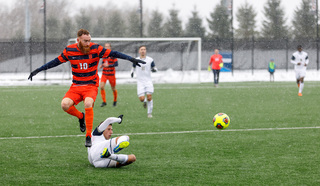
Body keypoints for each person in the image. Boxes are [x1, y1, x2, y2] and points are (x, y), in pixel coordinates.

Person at [28, 29, 145, 147]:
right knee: (64, 105)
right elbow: (55, 62)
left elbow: (114, 53)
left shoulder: (96, 48)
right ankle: (81, 116)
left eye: (89, 40)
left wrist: (131, 59)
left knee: (88, 103)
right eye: (85, 41)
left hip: (91, 85)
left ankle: (88, 136)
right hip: (76, 86)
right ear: (78, 40)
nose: (88, 43)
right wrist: (38, 70)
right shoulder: (70, 50)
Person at [131, 45, 157, 118]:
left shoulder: (150, 60)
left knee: (149, 97)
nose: (143, 51)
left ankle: (149, 113)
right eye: (141, 49)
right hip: (140, 82)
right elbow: (133, 68)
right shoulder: (135, 60)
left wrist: (154, 70)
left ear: (146, 51)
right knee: (142, 99)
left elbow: (155, 68)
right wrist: (132, 72)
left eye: (144, 49)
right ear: (139, 51)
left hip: (148, 81)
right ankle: (144, 101)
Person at [99, 43, 118, 107]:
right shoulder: (103, 55)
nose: (106, 47)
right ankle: (104, 102)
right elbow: (103, 62)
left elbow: (116, 64)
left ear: (110, 47)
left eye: (108, 46)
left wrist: (109, 65)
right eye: (105, 46)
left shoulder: (113, 55)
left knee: (113, 88)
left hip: (111, 74)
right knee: (101, 87)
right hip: (104, 74)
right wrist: (102, 65)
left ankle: (115, 101)